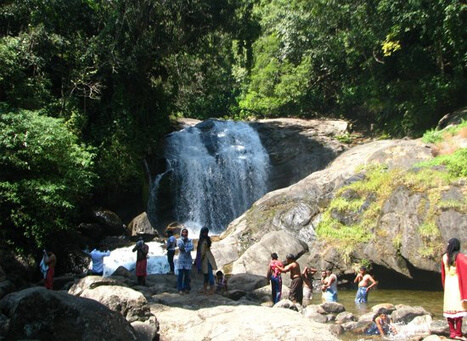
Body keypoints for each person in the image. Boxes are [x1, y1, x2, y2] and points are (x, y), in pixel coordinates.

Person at [441, 238, 467, 340]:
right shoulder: (458, 256)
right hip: (457, 285)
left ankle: (452, 333)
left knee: (449, 308)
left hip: (448, 285)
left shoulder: (444, 257)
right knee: (459, 308)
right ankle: (458, 333)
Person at [195, 227, 217, 294]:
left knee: (209, 274)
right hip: (208, 257)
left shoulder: (203, 240)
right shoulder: (207, 239)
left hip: (206, 259)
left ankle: (211, 289)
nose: (205, 233)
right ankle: (205, 289)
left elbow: (202, 252)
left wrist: (198, 261)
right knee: (206, 274)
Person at [177, 228, 194, 294]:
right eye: (183, 232)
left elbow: (192, 248)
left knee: (187, 275)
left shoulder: (190, 240)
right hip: (181, 259)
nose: (185, 234)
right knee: (180, 275)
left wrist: (186, 248)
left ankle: (186, 288)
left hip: (188, 259)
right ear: (181, 233)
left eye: (186, 232)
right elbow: (181, 247)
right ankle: (179, 288)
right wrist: (184, 243)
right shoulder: (179, 240)